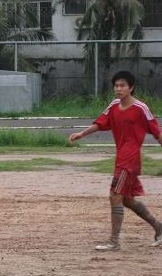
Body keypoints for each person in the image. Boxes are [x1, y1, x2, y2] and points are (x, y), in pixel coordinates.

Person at [69, 71, 162, 250]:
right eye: (116, 85)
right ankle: (158, 227)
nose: (119, 89)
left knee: (115, 195)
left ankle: (113, 241)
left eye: (122, 85)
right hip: (121, 158)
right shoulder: (113, 105)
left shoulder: (141, 108)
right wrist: (82, 133)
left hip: (130, 160)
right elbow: (101, 123)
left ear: (131, 88)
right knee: (126, 200)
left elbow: (157, 132)